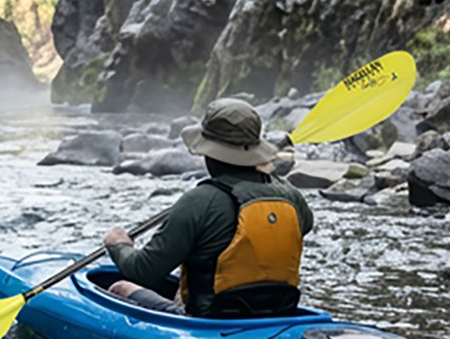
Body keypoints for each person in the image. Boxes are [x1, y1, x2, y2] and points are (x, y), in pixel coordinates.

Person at [102, 98, 314, 318]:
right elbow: (303, 225)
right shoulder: (291, 196)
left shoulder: (199, 201)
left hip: (211, 319)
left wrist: (119, 246)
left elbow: (143, 272)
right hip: (278, 313)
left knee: (122, 287)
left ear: (209, 153)